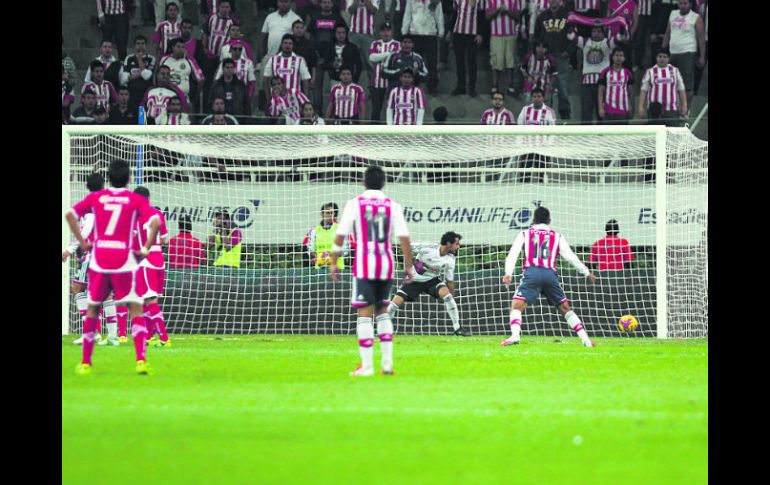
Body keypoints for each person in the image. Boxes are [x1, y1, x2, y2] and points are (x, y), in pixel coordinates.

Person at [65, 159, 161, 375]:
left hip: (99, 259)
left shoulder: (97, 197)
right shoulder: (134, 199)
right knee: (135, 307)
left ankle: (86, 362)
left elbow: (70, 215)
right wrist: (146, 247)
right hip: (124, 260)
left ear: (108, 178)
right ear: (128, 179)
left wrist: (82, 242)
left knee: (92, 308)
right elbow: (155, 221)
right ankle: (140, 360)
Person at [330, 165, 415, 376]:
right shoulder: (392, 205)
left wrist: (334, 261)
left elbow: (340, 235)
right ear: (383, 183)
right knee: (382, 310)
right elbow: (404, 237)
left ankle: (367, 366)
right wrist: (408, 264)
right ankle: (387, 365)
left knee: (365, 313)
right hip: (386, 264)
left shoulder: (354, 204)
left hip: (364, 264)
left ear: (364, 183)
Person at [500, 206, 599, 348]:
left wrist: (508, 273)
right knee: (565, 308)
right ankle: (586, 340)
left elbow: (513, 254)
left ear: (533, 220)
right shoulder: (557, 236)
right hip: (549, 274)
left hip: (532, 273)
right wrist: (586, 272)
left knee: (516, 305)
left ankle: (515, 336)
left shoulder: (524, 233)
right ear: (549, 220)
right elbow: (570, 257)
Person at [387, 232, 469, 336]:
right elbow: (406, 247)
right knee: (392, 306)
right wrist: (414, 262)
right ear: (448, 243)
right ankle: (385, 331)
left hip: (432, 280)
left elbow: (449, 281)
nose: (459, 246)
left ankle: (458, 329)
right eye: (457, 244)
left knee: (447, 297)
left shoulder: (450, 260)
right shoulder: (427, 248)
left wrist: (450, 297)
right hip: (413, 280)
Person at [62, 173, 111, 346]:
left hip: (91, 254)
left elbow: (86, 228)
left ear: (87, 186)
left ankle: (92, 332)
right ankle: (108, 334)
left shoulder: (91, 204)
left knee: (78, 288)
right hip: (106, 252)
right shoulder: (107, 201)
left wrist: (69, 249)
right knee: (99, 293)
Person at [132, 187, 172, 348]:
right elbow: (164, 239)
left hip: (145, 260)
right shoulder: (158, 213)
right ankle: (149, 336)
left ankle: (164, 337)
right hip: (159, 260)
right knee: (147, 298)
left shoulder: (134, 216)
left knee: (150, 299)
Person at [567, 25, 621, 124]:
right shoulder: (585, 41)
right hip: (586, 83)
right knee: (586, 113)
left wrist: (621, 25)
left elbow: (620, 38)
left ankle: (602, 137)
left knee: (602, 112)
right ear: (591, 33)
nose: (596, 34)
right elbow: (570, 36)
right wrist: (571, 21)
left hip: (603, 83)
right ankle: (585, 137)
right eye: (594, 31)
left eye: (598, 31)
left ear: (603, 33)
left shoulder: (607, 43)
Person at [662, 0, 705, 111]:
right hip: (673, 52)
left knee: (687, 84)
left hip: (688, 52)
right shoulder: (673, 13)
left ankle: (686, 109)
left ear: (690, 4)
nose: (682, 5)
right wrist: (662, 48)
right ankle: (675, 106)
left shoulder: (696, 17)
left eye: (685, 3)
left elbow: (701, 38)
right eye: (681, 3)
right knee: (671, 82)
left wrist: (702, 56)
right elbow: (667, 32)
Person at [534, 0, 573, 118]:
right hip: (547, 57)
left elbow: (573, 36)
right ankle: (545, 114)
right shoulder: (542, 16)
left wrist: (568, 51)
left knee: (563, 87)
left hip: (561, 56)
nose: (554, 1)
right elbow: (537, 36)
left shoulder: (568, 16)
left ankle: (564, 114)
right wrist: (539, 52)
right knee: (546, 86)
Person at [307, 0, 348, 110]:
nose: (326, 4)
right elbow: (310, 36)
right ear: (320, 4)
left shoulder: (338, 18)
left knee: (336, 86)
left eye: (329, 2)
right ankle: (317, 112)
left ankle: (336, 111)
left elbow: (344, 35)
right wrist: (312, 52)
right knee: (317, 87)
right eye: (324, 2)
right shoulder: (314, 17)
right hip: (318, 57)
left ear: (332, 4)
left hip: (333, 58)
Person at [401, 0, 443, 95]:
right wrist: (404, 31)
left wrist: (441, 31)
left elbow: (439, 14)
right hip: (415, 32)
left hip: (430, 33)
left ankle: (432, 87)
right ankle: (415, 86)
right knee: (415, 63)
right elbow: (408, 14)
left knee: (432, 63)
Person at [636, 48, 686, 126]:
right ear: (656, 58)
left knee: (672, 133)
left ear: (668, 58)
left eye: (664, 57)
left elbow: (681, 89)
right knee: (655, 134)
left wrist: (684, 105)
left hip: (672, 109)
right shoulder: (650, 71)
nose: (662, 59)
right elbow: (643, 90)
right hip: (654, 111)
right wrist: (640, 107)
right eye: (660, 56)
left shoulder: (675, 71)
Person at [485, 0, 521, 96]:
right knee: (496, 61)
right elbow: (487, 16)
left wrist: (507, 11)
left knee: (511, 61)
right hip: (496, 35)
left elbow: (518, 17)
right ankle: (495, 86)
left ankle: (510, 86)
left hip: (511, 34)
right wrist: (498, 10)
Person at [159, 37, 206, 109]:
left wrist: (195, 98)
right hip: (166, 98)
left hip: (184, 99)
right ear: (172, 48)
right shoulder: (164, 59)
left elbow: (201, 79)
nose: (181, 49)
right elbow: (158, 76)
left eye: (183, 47)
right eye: (178, 47)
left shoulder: (189, 60)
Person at [263, 34, 312, 102]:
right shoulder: (272, 60)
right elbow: (265, 80)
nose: (287, 45)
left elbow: (305, 81)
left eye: (290, 43)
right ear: (281, 45)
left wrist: (305, 101)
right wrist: (269, 99)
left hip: (294, 100)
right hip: (277, 100)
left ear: (293, 45)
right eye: (285, 43)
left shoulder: (299, 60)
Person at [369, 22, 401, 121]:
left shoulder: (397, 44)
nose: (386, 33)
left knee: (392, 108)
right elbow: (372, 58)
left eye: (388, 30)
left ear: (391, 32)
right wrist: (388, 54)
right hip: (376, 83)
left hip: (392, 82)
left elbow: (396, 59)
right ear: (380, 32)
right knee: (376, 109)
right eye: (383, 30)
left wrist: (381, 56)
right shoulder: (375, 43)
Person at [303, 203, 350, 269]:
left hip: (337, 269)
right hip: (320, 270)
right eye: (328, 213)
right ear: (322, 214)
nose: (330, 215)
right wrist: (320, 258)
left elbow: (346, 249)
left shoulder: (340, 229)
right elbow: (310, 249)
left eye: (332, 213)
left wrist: (331, 256)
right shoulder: (314, 230)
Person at [597, 47, 634, 124]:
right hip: (608, 110)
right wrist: (600, 108)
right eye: (616, 55)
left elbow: (631, 91)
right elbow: (600, 91)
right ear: (612, 57)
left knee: (622, 135)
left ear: (624, 58)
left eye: (621, 55)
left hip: (623, 110)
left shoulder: (628, 73)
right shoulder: (605, 72)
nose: (618, 58)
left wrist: (632, 106)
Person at [121, 36, 157, 114]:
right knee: (131, 121)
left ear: (146, 46)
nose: (140, 46)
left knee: (142, 121)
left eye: (142, 43)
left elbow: (147, 76)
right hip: (132, 95)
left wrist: (139, 59)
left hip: (144, 95)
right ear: (134, 46)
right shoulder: (129, 58)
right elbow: (124, 79)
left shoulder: (151, 59)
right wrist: (141, 73)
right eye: (138, 43)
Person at [346, 0, 380, 75]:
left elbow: (373, 10)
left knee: (370, 62)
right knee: (352, 61)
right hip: (353, 33)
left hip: (369, 34)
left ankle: (373, 85)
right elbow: (351, 10)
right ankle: (351, 84)